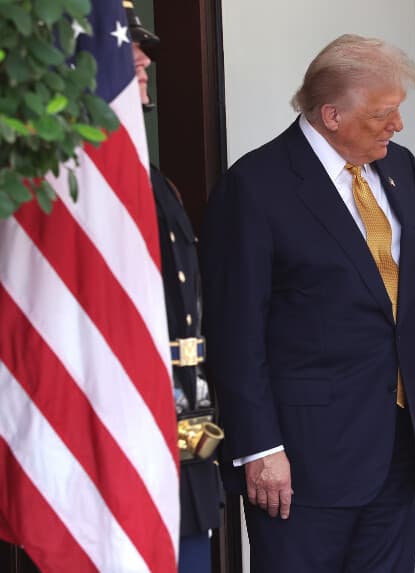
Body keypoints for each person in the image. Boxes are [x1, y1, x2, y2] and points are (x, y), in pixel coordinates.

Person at [200, 34, 415, 572]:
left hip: (395, 448)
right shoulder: (255, 187)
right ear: (331, 115)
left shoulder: (396, 167)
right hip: (300, 460)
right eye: (383, 114)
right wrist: (259, 450)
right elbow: (235, 332)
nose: (396, 125)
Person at [127, 3, 223, 571]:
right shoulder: (82, 187)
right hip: (127, 454)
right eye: (126, 50)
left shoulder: (154, 182)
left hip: (183, 449)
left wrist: (199, 452)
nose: (144, 59)